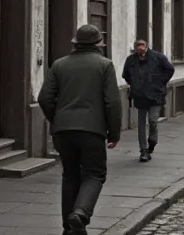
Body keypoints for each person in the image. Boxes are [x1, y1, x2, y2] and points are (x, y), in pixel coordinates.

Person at [38, 25, 122, 234]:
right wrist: (114, 132)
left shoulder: (59, 64)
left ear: (75, 43)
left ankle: (70, 228)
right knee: (94, 174)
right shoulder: (105, 65)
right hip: (92, 130)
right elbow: (112, 101)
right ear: (97, 45)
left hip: (63, 131)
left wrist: (57, 119)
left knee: (70, 176)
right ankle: (81, 213)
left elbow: (44, 98)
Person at [121, 38, 174, 161]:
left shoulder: (157, 57)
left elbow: (170, 69)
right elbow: (126, 74)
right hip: (140, 96)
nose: (140, 48)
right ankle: (143, 150)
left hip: (155, 95)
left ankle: (153, 141)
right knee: (141, 124)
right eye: (138, 46)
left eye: (142, 45)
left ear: (146, 46)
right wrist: (135, 85)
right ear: (135, 48)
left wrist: (160, 82)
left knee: (153, 120)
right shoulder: (131, 60)